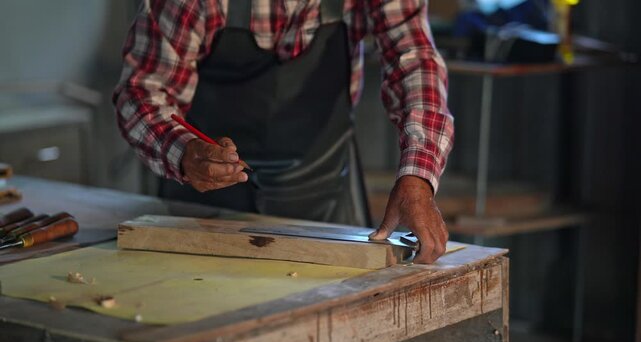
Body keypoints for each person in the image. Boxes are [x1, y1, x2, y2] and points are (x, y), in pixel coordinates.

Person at [113, 0, 454, 264]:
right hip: (202, 211)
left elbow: (415, 58)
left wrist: (417, 178)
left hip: (329, 201)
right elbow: (141, 91)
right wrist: (183, 151)